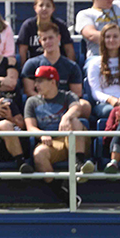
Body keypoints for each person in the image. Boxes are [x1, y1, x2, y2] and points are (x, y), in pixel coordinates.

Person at [26, 64, 91, 205]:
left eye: (40, 81)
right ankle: (61, 192)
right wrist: (42, 134)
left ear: (53, 82)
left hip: (73, 137)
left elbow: (77, 107)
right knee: (39, 154)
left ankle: (78, 163)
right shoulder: (32, 101)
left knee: (74, 120)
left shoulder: (67, 96)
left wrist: (66, 117)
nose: (36, 84)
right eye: (36, 81)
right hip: (53, 142)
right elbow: (30, 127)